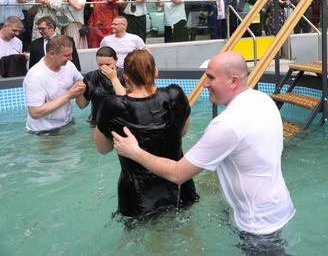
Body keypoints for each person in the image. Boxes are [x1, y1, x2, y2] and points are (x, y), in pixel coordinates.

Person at [111, 52, 295, 252]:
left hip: (258, 225)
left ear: (233, 81)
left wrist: (134, 152)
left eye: (211, 77)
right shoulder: (263, 100)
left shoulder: (227, 125)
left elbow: (177, 174)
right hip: (277, 206)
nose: (205, 83)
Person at [93, 49, 199, 219]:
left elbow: (103, 149)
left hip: (138, 196)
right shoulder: (175, 95)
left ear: (125, 77)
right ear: (156, 73)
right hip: (180, 188)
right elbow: (183, 132)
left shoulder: (112, 107)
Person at [23, 35, 87, 134]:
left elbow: (81, 84)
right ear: (52, 54)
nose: (71, 58)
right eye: (66, 55)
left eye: (71, 54)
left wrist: (81, 90)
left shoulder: (69, 66)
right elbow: (35, 112)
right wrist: (69, 95)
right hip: (43, 130)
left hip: (67, 123)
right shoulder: (35, 76)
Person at [83, 46, 126, 126]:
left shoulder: (125, 75)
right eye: (100, 65)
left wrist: (114, 78)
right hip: (96, 122)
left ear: (116, 61)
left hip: (120, 122)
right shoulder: (90, 76)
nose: (104, 68)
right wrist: (78, 93)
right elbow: (82, 105)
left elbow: (127, 101)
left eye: (108, 64)